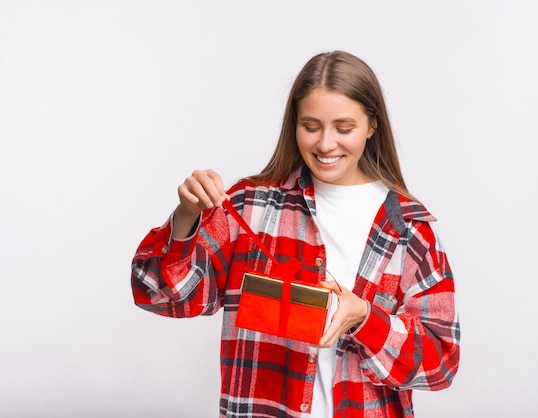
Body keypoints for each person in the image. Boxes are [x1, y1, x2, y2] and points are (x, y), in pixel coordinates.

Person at [131, 50, 460, 417]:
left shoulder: (409, 229)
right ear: (294, 124)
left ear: (372, 126)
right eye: (311, 126)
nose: (325, 144)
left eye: (344, 128)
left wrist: (365, 318)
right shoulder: (248, 206)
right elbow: (159, 295)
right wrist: (186, 215)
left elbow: (441, 364)